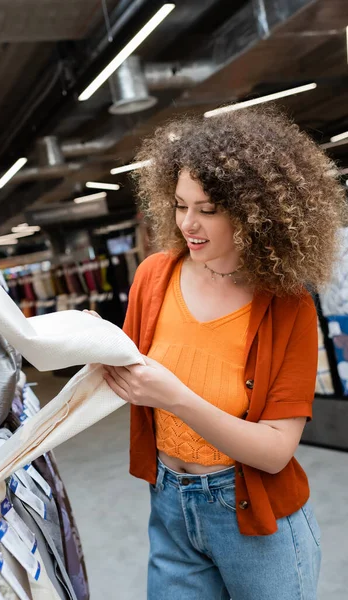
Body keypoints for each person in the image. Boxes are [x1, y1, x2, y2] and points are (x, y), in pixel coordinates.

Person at [94, 107, 346, 600]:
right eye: (180, 204)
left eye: (208, 209)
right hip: (169, 506)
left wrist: (175, 397)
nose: (189, 223)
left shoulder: (286, 304)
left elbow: (275, 452)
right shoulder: (153, 276)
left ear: (255, 212)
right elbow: (127, 375)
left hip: (258, 519)